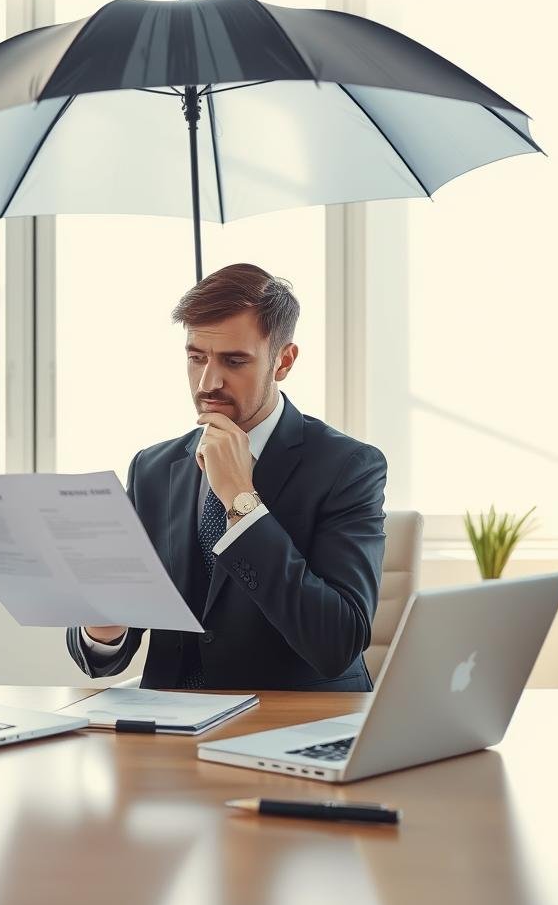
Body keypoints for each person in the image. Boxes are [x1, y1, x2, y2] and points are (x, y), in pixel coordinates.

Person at [65, 263, 388, 691]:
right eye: (196, 357)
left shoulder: (348, 467)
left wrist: (241, 498)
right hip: (171, 727)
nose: (208, 381)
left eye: (234, 361)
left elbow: (337, 642)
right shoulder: (153, 469)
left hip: (293, 723)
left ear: (284, 361)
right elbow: (105, 661)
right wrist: (102, 629)